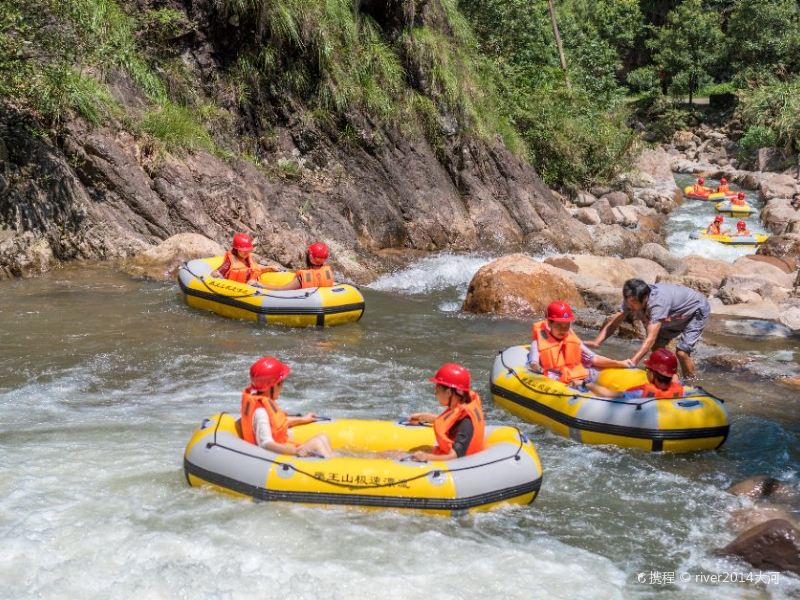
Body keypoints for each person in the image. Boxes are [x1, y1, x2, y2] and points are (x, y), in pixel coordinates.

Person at [586, 279, 710, 380]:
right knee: (657, 347)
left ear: (645, 298)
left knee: (682, 352)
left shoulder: (658, 303)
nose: (630, 306)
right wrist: (596, 342)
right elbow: (614, 323)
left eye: (634, 303)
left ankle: (692, 383)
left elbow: (650, 338)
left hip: (695, 310)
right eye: (628, 301)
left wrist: (632, 362)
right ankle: (671, 377)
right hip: (673, 314)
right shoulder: (631, 299)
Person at [527, 301, 632, 392]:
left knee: (597, 371)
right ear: (549, 323)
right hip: (558, 383)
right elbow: (533, 363)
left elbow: (594, 358)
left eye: (566, 325)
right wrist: (540, 370)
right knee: (583, 386)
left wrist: (618, 363)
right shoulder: (537, 344)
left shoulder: (573, 341)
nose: (563, 329)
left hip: (579, 378)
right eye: (559, 325)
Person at [240, 356, 333, 458]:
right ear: (271, 386)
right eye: (281, 383)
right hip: (274, 457)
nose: (282, 387)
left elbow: (279, 423)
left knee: (323, 438)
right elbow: (265, 443)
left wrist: (303, 419)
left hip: (282, 449)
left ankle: (336, 462)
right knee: (318, 442)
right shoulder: (260, 412)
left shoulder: (262, 404)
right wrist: (294, 451)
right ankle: (334, 467)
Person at [406, 363, 485, 461]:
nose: (435, 394)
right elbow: (453, 422)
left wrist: (426, 457)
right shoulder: (463, 405)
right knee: (414, 450)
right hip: (447, 454)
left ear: (448, 392)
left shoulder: (466, 422)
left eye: (437, 390)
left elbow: (455, 456)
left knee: (398, 455)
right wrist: (425, 417)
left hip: (458, 466)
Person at [210, 233, 280, 286]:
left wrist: (269, 268)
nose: (246, 252)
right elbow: (215, 274)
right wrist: (218, 276)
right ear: (236, 249)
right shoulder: (229, 262)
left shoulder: (247, 258)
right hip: (241, 290)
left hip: (254, 285)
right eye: (243, 250)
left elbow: (255, 269)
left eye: (248, 250)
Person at [618, 349, 684, 399]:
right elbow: (674, 377)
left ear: (653, 373)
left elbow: (613, 396)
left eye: (647, 368)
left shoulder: (640, 393)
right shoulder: (680, 390)